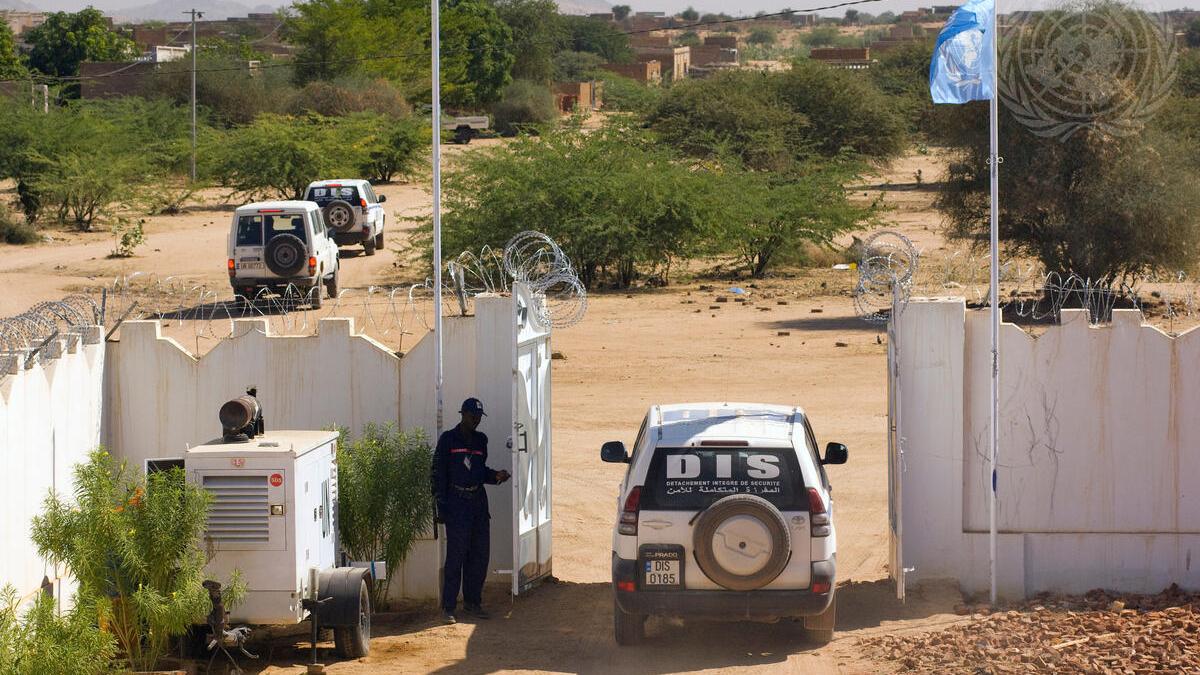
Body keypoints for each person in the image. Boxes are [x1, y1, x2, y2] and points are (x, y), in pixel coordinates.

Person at [432, 397, 510, 624]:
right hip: (457, 503)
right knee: (456, 556)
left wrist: (495, 476)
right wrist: (441, 507)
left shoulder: (480, 441)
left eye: (478, 417)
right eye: (472, 415)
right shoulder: (448, 440)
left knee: (479, 555)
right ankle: (448, 607)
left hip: (478, 504)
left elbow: (479, 471)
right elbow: (438, 474)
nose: (475, 420)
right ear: (463, 414)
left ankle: (473, 603)